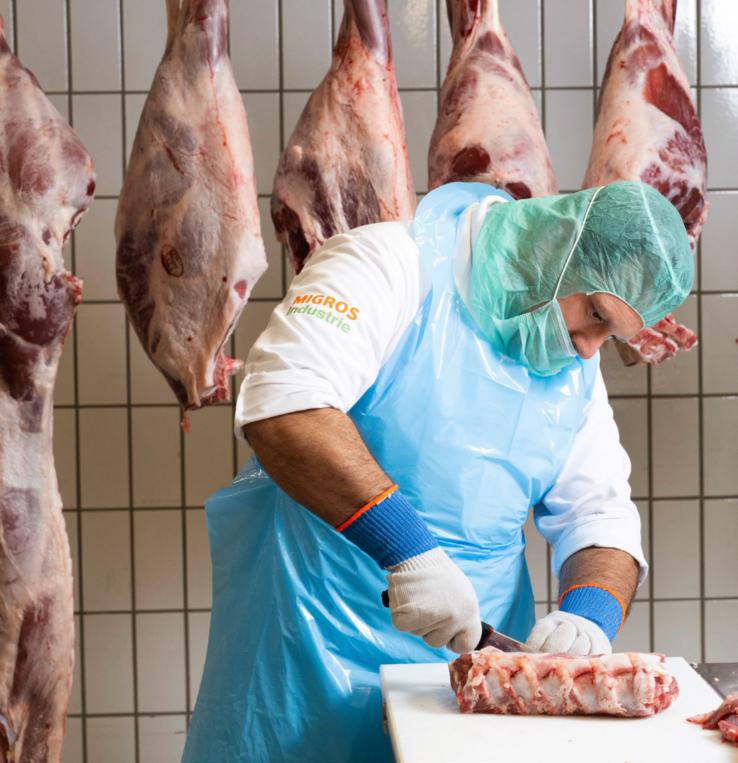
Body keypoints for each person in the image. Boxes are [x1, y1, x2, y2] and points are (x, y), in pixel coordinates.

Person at [182, 181, 693, 763]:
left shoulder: (570, 360)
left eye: (610, 334)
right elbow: (284, 405)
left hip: (473, 683)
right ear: (555, 247)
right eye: (595, 314)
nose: (588, 348)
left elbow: (599, 514)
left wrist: (589, 616)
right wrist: (410, 551)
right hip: (305, 656)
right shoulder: (388, 264)